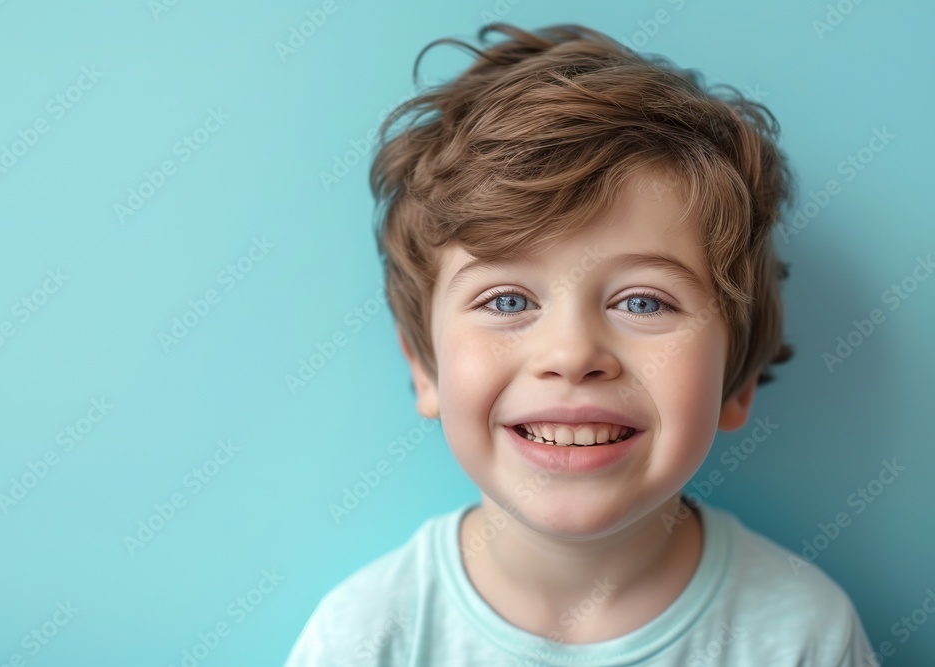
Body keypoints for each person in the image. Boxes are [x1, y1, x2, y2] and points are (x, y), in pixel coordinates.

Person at [285, 22, 877, 666]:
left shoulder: (804, 636)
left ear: (736, 382)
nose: (572, 354)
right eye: (508, 302)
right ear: (424, 369)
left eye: (644, 302)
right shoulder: (362, 638)